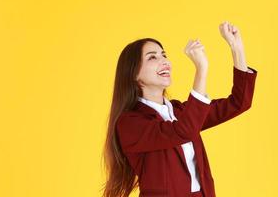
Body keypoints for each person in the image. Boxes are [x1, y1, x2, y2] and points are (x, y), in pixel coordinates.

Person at [101, 21, 258, 197]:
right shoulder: (130, 123)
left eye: (164, 55)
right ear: (134, 74)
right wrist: (201, 70)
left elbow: (239, 102)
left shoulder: (179, 112)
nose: (164, 61)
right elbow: (184, 130)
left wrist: (237, 48)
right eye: (152, 57)